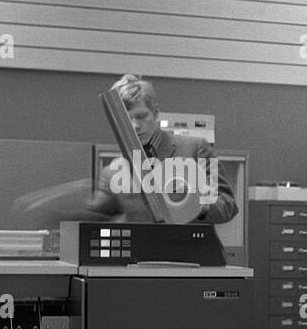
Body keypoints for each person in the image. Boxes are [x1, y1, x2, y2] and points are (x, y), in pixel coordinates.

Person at [96, 74, 238, 224]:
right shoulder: (112, 172)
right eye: (128, 120)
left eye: (141, 116)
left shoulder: (197, 149)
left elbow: (228, 205)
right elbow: (101, 222)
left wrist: (197, 205)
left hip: (191, 246)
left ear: (156, 113)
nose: (135, 126)